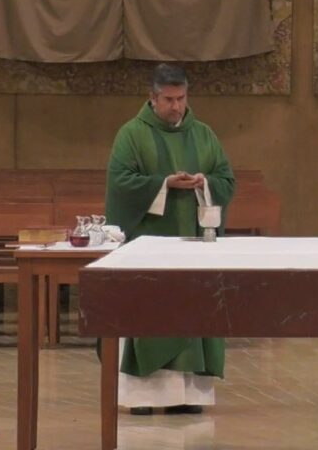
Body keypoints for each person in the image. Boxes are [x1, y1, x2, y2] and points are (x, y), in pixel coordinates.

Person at [105, 63, 236, 416]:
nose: (176, 106)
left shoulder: (204, 134)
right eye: (168, 99)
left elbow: (225, 178)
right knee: (152, 314)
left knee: (192, 311)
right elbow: (120, 183)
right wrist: (163, 184)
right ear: (152, 97)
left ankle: (188, 395)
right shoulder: (131, 134)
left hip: (194, 247)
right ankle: (144, 396)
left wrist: (203, 183)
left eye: (181, 98)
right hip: (149, 247)